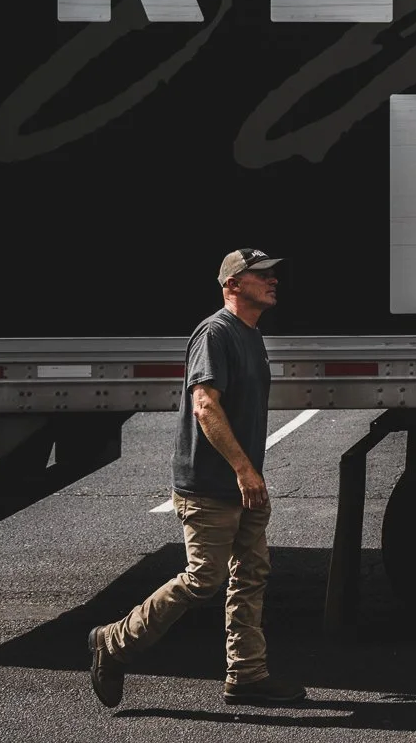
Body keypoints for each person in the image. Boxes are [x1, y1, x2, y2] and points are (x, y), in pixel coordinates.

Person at [88, 248, 307, 708]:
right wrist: (245, 468)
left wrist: (250, 474)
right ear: (232, 284)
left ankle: (246, 675)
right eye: (262, 274)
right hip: (210, 483)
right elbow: (205, 405)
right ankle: (112, 643)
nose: (273, 280)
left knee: (250, 575)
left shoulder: (250, 334)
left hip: (244, 481)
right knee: (203, 578)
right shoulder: (216, 333)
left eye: (273, 274)